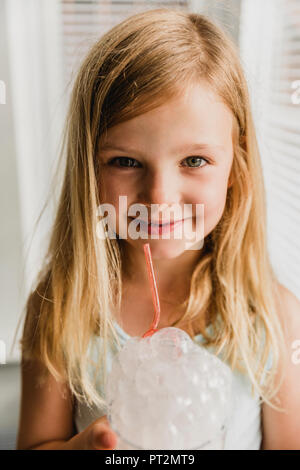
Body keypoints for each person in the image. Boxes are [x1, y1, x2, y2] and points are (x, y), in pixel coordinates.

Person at [16, 8, 300, 450]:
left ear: (234, 167)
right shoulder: (61, 305)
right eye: (126, 162)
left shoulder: (273, 316)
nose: (160, 196)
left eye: (194, 161)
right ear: (89, 169)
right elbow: (37, 443)